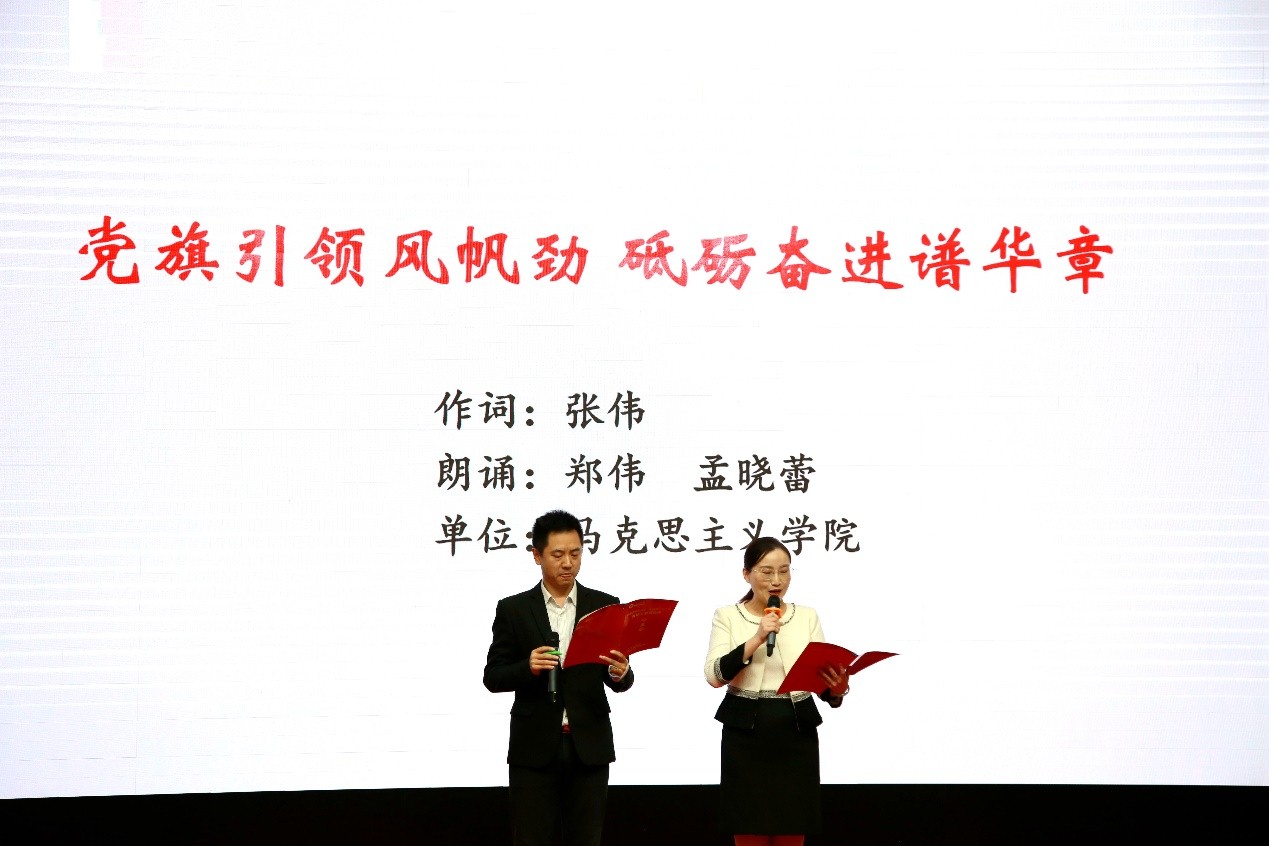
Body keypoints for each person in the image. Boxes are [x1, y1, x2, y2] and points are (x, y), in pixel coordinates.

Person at [483, 509, 635, 846]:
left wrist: (621, 673)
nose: (568, 563)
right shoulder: (514, 609)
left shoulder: (605, 605)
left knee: (587, 839)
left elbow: (619, 678)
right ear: (537, 555)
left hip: (589, 745)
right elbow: (492, 676)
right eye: (558, 554)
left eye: (575, 553)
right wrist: (527, 667)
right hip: (533, 746)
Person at [703, 537, 850, 846]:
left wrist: (837, 688)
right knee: (748, 824)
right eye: (767, 572)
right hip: (746, 732)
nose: (777, 581)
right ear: (746, 574)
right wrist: (757, 637)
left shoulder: (806, 616)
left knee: (792, 824)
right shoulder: (727, 615)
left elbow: (821, 680)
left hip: (795, 731)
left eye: (784, 571)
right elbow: (714, 675)